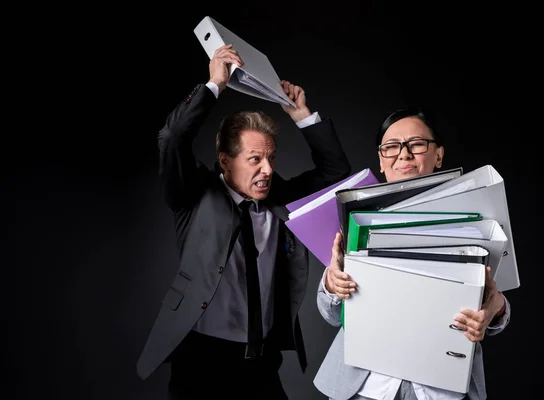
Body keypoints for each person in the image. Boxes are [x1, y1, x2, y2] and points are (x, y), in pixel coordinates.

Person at [135, 44, 351, 399]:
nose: (267, 170)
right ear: (225, 160)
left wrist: (301, 115)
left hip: (261, 363)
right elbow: (172, 139)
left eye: (270, 158)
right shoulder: (193, 196)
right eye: (254, 159)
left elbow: (336, 173)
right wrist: (213, 85)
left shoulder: (281, 198)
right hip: (201, 362)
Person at [313, 106, 511, 400]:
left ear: (439, 154)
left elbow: (499, 304)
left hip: (442, 387)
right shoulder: (357, 218)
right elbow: (331, 314)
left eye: (416, 144)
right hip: (362, 388)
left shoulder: (478, 211)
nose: (403, 154)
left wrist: (496, 309)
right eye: (391, 147)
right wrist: (332, 284)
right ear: (381, 160)